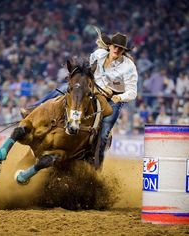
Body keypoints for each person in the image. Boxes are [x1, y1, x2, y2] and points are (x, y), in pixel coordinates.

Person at [21, 27, 138, 164]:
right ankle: (33, 110)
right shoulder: (98, 55)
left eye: (120, 48)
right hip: (93, 89)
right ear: (110, 46)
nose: (116, 50)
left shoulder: (129, 67)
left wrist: (119, 97)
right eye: (115, 46)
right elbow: (87, 72)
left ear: (124, 51)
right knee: (64, 88)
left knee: (105, 127)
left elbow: (132, 92)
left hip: (113, 98)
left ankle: (95, 159)